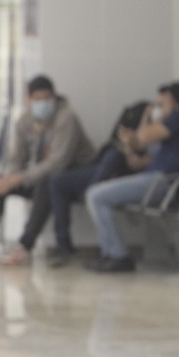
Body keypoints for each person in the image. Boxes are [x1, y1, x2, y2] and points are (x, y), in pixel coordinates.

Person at [0, 74, 97, 266]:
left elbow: (58, 163)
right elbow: (17, 158)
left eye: (47, 99)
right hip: (40, 176)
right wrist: (9, 178)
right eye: (37, 100)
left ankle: (24, 246)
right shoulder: (26, 120)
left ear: (54, 97)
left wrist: (19, 179)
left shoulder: (66, 118)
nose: (43, 103)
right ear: (29, 100)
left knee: (46, 183)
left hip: (71, 176)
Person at [84, 80, 179, 273]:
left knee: (96, 195)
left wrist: (148, 119)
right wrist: (135, 143)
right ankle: (111, 254)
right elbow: (139, 145)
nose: (159, 108)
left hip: (165, 183)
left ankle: (118, 255)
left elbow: (142, 137)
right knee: (96, 194)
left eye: (163, 103)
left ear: (175, 102)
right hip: (158, 179)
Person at [45, 99, 151, 266]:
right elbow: (126, 147)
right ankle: (63, 245)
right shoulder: (141, 116)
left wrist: (144, 122)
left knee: (100, 184)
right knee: (57, 181)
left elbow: (140, 159)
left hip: (134, 172)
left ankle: (91, 192)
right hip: (109, 164)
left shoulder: (166, 126)